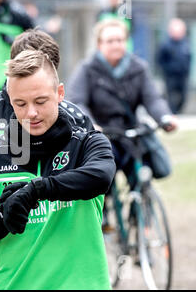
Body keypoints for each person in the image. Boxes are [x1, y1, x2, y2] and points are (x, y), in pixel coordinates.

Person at [0, 49, 116, 290]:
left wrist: (37, 190)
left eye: (40, 101)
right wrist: (3, 218)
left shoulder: (87, 142)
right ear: (9, 100)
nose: (31, 113)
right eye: (20, 104)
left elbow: (100, 177)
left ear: (60, 93)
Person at [67, 19, 178, 181]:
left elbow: (152, 99)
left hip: (130, 134)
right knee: (104, 179)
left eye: (120, 40)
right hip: (103, 135)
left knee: (140, 178)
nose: (116, 45)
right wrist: (91, 125)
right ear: (99, 44)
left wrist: (164, 117)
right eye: (110, 41)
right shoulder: (87, 69)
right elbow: (77, 101)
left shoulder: (139, 68)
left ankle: (140, 203)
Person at [157, 18, 192, 114]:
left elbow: (189, 58)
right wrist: (167, 69)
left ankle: (178, 111)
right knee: (171, 96)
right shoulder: (165, 45)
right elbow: (160, 60)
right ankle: (173, 114)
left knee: (184, 96)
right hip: (171, 76)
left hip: (183, 75)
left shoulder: (186, 43)